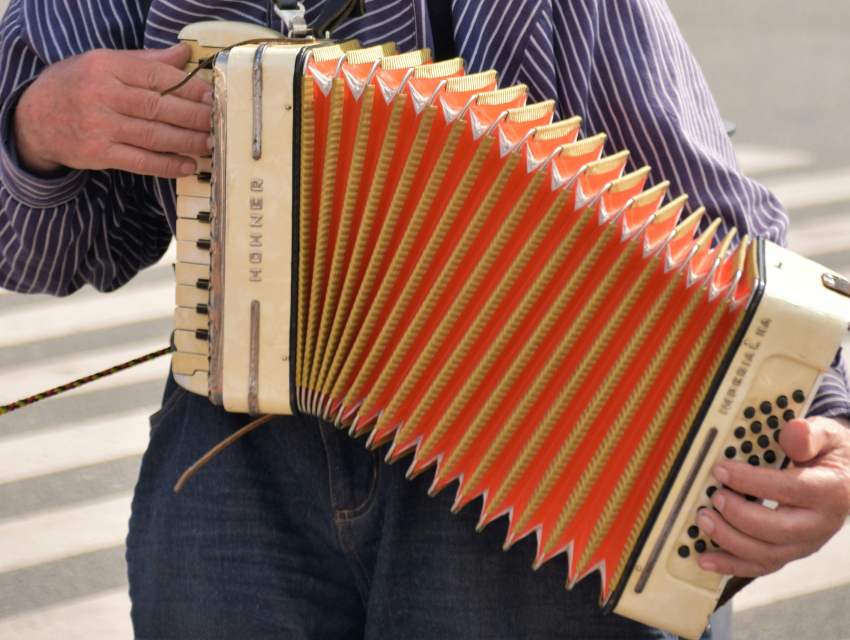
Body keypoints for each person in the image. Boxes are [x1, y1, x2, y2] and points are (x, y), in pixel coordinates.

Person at [2, 0, 849, 638]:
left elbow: (714, 226)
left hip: (531, 456)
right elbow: (48, 251)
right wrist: (34, 128)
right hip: (239, 476)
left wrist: (825, 421)